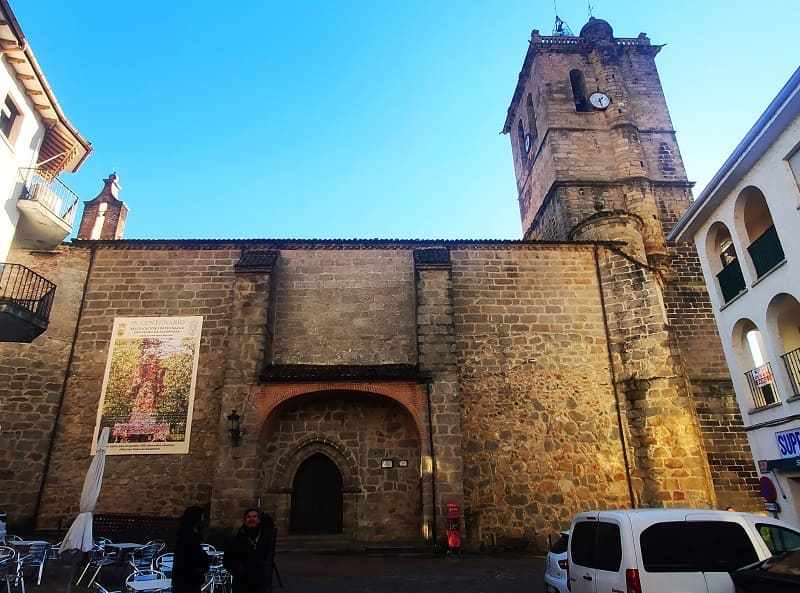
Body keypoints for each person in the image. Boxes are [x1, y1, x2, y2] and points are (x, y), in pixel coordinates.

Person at [223, 509, 276, 593]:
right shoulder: (237, 539)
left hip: (260, 582)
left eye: (254, 517)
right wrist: (238, 570)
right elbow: (227, 560)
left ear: (258, 520)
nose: (251, 519)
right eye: (249, 517)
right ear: (245, 521)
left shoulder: (264, 538)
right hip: (242, 583)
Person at [171, 506, 212, 593]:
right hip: (187, 582)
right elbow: (194, 558)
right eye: (202, 517)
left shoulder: (187, 535)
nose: (203, 520)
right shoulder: (188, 537)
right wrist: (206, 559)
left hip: (186, 581)